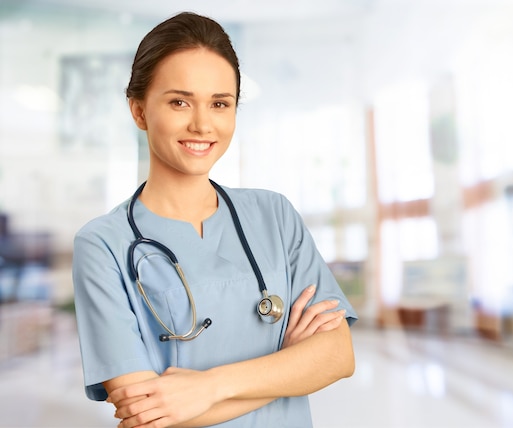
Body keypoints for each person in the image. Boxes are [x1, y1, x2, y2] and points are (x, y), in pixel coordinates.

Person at [72, 11, 357, 428]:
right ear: (138, 111)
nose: (203, 124)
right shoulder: (103, 245)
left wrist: (207, 388)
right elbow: (145, 414)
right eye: (179, 101)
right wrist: (288, 369)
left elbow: (338, 356)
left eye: (220, 103)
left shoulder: (274, 215)